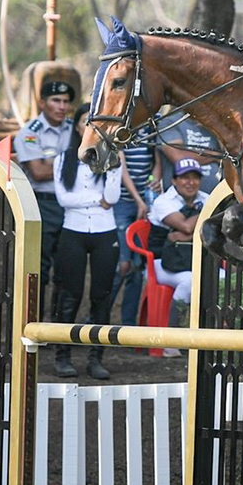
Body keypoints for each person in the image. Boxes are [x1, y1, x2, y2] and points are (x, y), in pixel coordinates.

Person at [51, 114, 131, 379]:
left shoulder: (112, 159)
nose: (89, 126)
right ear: (76, 125)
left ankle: (96, 357)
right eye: (84, 121)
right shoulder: (63, 159)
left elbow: (112, 197)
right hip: (72, 230)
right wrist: (96, 199)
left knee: (101, 295)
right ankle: (63, 355)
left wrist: (108, 178)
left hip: (103, 231)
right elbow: (64, 199)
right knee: (70, 294)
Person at [14, 80, 75, 321]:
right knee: (39, 269)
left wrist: (56, 165)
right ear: (42, 103)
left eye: (66, 101)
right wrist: (71, 164)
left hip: (71, 204)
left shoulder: (75, 128)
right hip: (43, 204)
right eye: (56, 101)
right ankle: (34, 323)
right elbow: (38, 172)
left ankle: (59, 326)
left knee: (67, 268)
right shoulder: (31, 132)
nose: (62, 106)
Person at [106, 111, 157, 329]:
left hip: (145, 201)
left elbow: (156, 160)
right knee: (122, 264)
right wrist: (139, 201)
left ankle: (128, 325)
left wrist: (155, 183)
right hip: (124, 203)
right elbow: (121, 168)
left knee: (137, 266)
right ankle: (99, 318)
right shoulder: (121, 129)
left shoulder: (152, 127)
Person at [149, 158, 208, 312]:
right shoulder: (163, 201)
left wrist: (189, 236)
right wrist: (206, 214)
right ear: (174, 180)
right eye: (185, 177)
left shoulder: (206, 199)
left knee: (223, 278)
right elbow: (187, 227)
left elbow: (188, 233)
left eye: (195, 177)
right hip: (163, 264)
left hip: (197, 261)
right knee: (189, 281)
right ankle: (177, 325)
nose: (191, 182)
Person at [156, 115, 221, 193]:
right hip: (178, 201)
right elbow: (179, 157)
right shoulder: (170, 122)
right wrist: (216, 155)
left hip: (216, 198)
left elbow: (228, 154)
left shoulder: (216, 124)